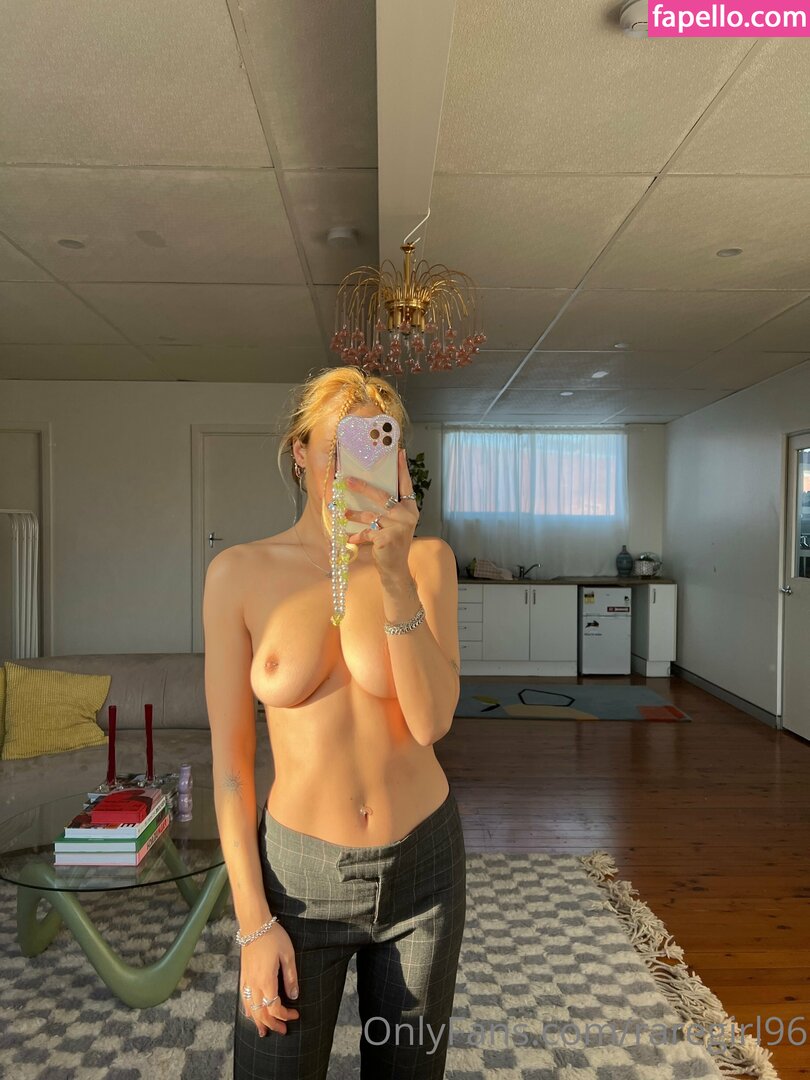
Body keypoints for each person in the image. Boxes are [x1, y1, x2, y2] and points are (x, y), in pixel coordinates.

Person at [202, 365, 467, 1080]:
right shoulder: (237, 574)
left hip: (424, 867)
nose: (350, 471)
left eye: (373, 449)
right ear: (299, 453)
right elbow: (231, 770)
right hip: (297, 879)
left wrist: (393, 574)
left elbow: (431, 722)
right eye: (334, 450)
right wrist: (253, 922)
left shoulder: (427, 563)